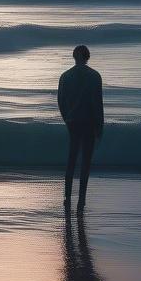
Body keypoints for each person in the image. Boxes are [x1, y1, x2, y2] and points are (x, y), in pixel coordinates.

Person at [57, 44, 103, 212]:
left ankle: (67, 197)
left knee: (71, 159)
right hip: (89, 121)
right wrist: (100, 126)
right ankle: (82, 198)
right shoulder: (95, 76)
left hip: (73, 121)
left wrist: (66, 119)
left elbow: (60, 101)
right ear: (88, 57)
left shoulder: (65, 76)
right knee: (85, 162)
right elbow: (98, 104)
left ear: (74, 57)